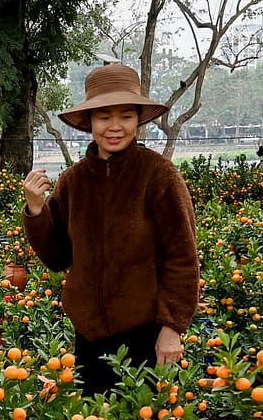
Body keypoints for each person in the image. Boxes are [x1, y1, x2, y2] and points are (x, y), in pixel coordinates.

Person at [22, 63, 199, 396]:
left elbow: (183, 257)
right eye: (104, 117)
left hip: (145, 334)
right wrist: (36, 210)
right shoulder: (73, 182)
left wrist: (172, 327)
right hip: (88, 336)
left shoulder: (159, 176)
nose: (115, 127)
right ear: (90, 122)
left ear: (138, 120)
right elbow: (58, 257)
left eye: (126, 116)